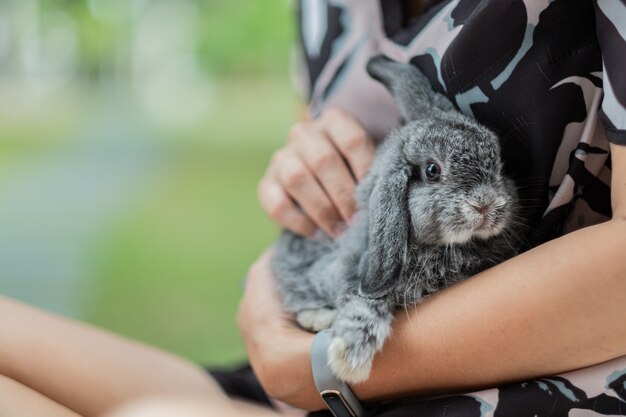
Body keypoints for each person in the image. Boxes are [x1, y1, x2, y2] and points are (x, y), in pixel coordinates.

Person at [1, 0, 625, 416]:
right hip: (307, 368)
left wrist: (322, 369)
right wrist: (299, 183)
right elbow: (320, 155)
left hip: (508, 393)